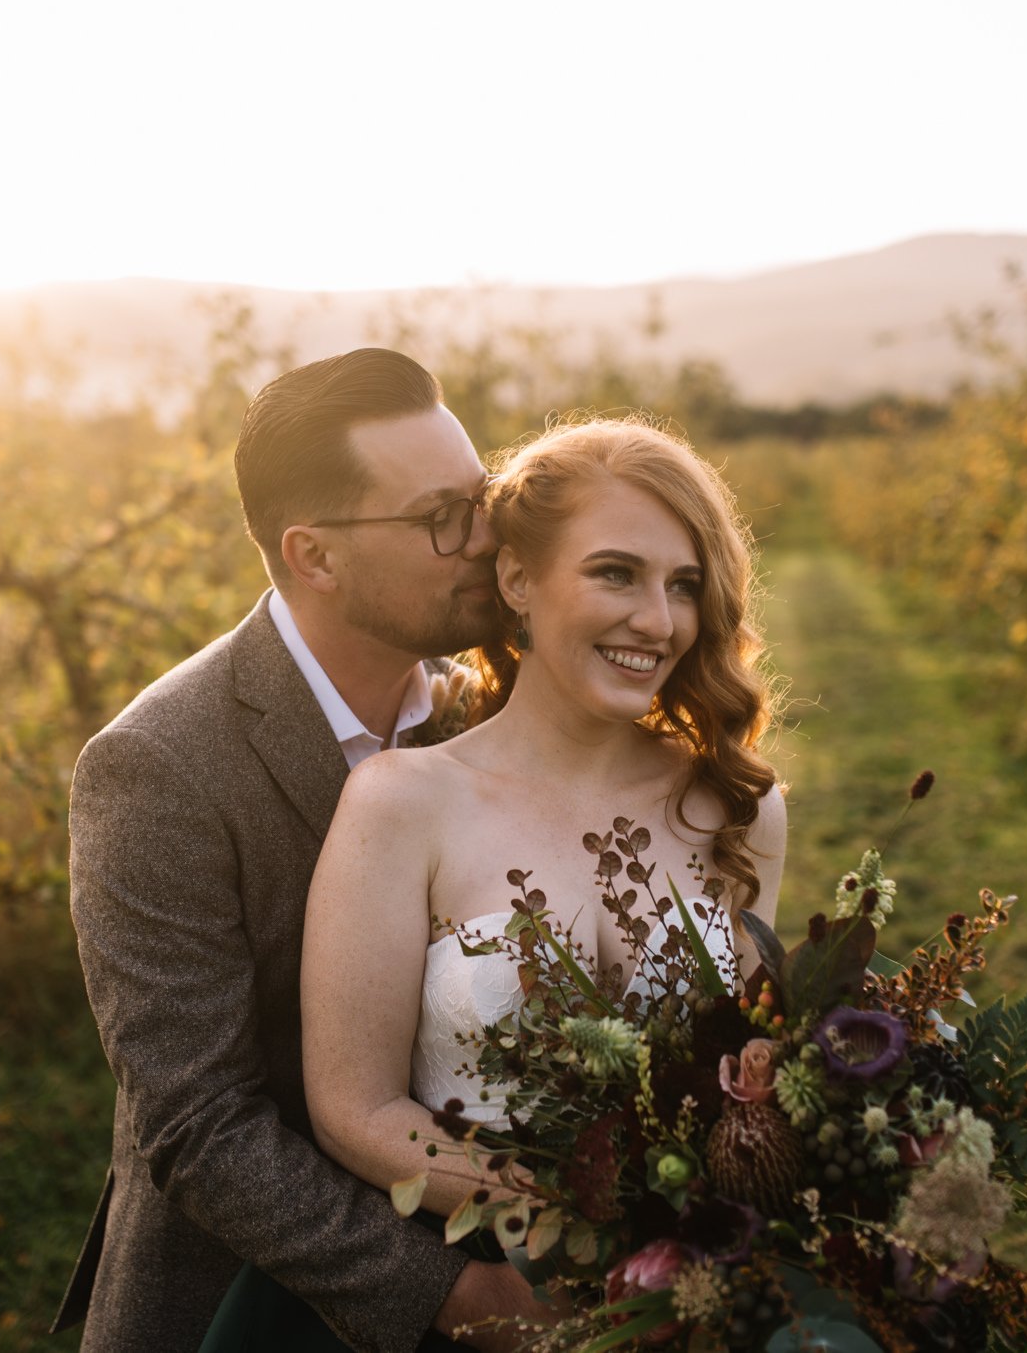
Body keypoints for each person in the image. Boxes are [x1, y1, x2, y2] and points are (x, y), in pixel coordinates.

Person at [201, 415, 785, 1349]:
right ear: (517, 578)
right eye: (615, 573)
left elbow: (745, 1071)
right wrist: (580, 1211)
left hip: (689, 1299)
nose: (659, 619)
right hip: (472, 1289)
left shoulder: (737, 807)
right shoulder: (401, 801)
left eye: (683, 584)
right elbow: (355, 1108)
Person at [55, 348, 544, 1353]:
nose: (485, 538)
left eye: (480, 497)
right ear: (314, 555)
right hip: (241, 1301)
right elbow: (198, 1126)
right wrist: (446, 1293)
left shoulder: (482, 712)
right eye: (439, 517)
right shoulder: (155, 768)